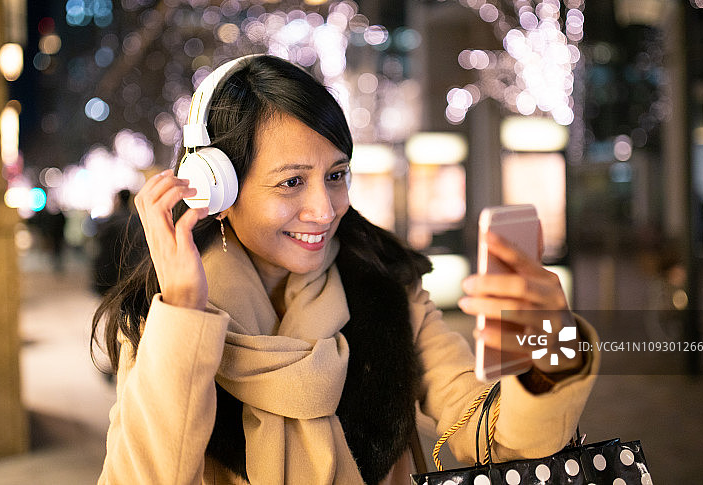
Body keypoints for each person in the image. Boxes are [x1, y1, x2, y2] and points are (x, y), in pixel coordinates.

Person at [92, 55, 599, 484]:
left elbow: (491, 432)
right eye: (291, 182)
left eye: (336, 175)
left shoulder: (383, 287)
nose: (326, 208)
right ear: (216, 190)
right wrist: (182, 307)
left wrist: (548, 345)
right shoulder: (165, 323)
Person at [91, 189, 147, 296]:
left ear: (118, 199)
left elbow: (103, 251)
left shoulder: (111, 221)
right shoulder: (138, 220)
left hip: (115, 272)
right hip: (133, 270)